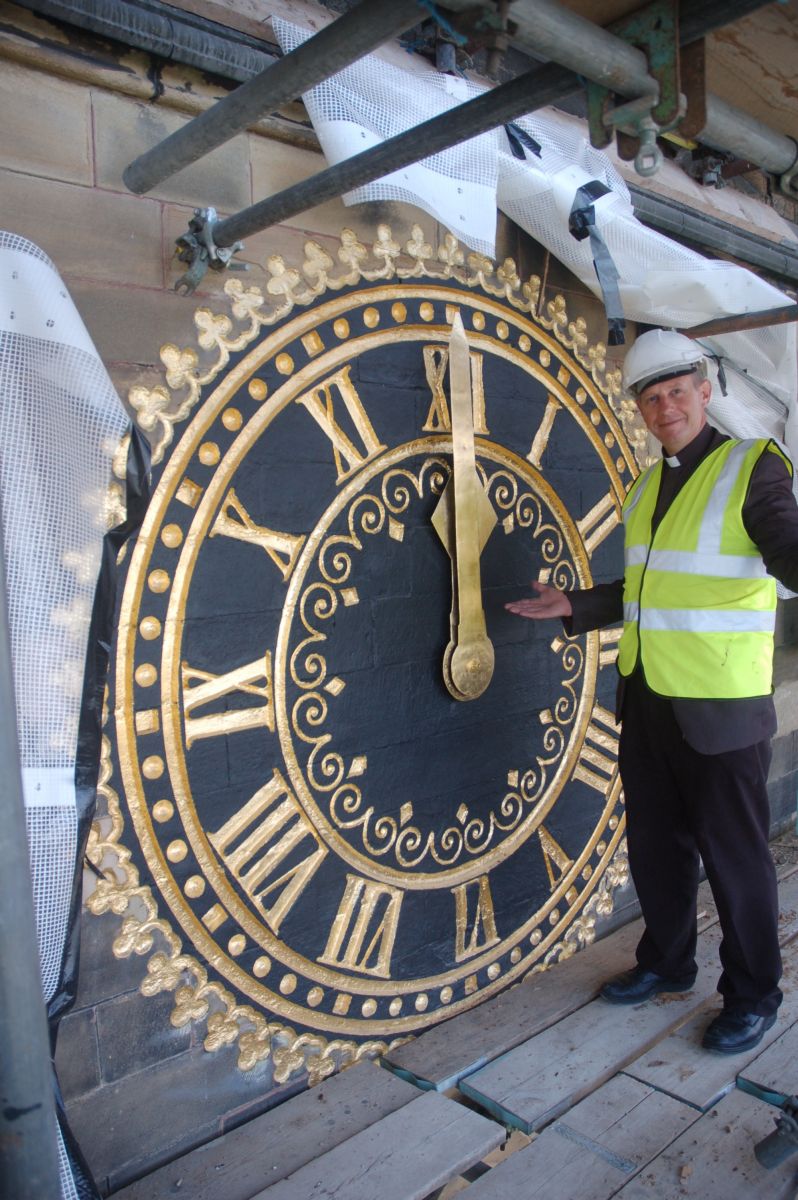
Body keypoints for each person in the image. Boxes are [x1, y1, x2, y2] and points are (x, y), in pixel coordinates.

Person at [506, 328, 798, 1054]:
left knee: (735, 859)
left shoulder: (750, 468)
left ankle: (755, 993)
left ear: (704, 392)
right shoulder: (646, 486)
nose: (664, 407)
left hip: (721, 711)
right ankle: (667, 963)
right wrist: (576, 604)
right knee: (656, 850)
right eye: (650, 398)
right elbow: (647, 590)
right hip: (647, 699)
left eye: (676, 392)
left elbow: (786, 543)